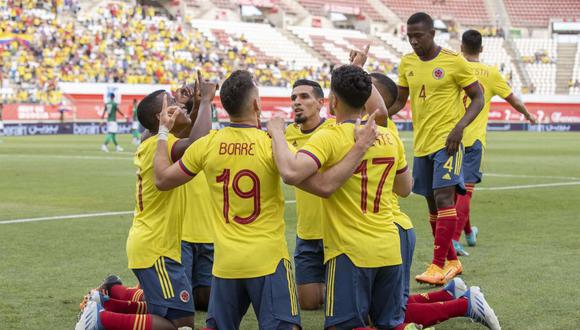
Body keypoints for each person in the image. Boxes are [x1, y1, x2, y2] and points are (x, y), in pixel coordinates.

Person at [152, 69, 379, 330]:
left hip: (226, 264)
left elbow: (162, 179)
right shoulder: (271, 144)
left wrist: (162, 133)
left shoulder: (207, 144)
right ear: (257, 104)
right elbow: (320, 182)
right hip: (268, 260)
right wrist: (358, 149)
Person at [268, 65, 418, 330]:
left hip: (350, 250)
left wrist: (277, 133)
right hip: (388, 246)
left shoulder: (330, 136)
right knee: (390, 323)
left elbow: (291, 172)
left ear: (333, 101)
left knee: (342, 325)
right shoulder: (388, 136)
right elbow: (406, 188)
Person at [76, 81, 216, 330]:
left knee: (169, 309)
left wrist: (187, 107)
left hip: (152, 245)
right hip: (156, 248)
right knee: (181, 324)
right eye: (172, 103)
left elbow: (185, 133)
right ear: (159, 118)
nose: (178, 104)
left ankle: (108, 303)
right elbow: (197, 142)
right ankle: (102, 320)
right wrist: (206, 101)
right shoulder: (160, 146)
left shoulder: (156, 141)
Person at [371, 72, 501, 330]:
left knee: (379, 316)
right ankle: (451, 292)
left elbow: (404, 188)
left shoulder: (378, 131)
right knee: (384, 308)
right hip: (381, 227)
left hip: (381, 228)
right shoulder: (368, 126)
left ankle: (452, 283)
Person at [388, 12, 484, 285]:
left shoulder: (454, 62)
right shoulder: (407, 62)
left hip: (448, 143)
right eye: (409, 36)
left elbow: (478, 97)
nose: (414, 41)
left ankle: (437, 265)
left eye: (418, 35)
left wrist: (459, 128)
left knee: (444, 200)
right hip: (422, 144)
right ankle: (452, 260)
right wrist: (377, 115)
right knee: (431, 203)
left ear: (432, 34)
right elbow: (399, 102)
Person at [452, 29, 538, 255]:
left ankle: (469, 233)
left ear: (461, 47)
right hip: (473, 141)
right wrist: (528, 115)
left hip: (451, 137)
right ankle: (454, 238)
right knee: (466, 192)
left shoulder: (454, 67)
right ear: (481, 49)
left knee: (456, 191)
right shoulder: (490, 73)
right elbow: (513, 100)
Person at [284, 79, 335, 311]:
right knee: (309, 303)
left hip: (336, 231)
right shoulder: (287, 134)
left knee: (341, 302)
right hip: (307, 233)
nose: (297, 102)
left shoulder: (334, 130)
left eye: (304, 97)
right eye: (294, 98)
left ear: (320, 103)